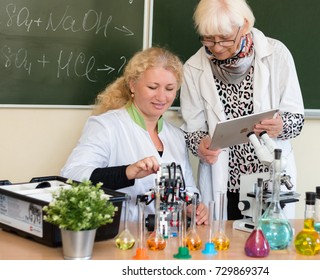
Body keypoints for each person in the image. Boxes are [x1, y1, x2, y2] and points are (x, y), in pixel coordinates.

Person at [180, 0, 305, 220]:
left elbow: (296, 120)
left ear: (244, 25)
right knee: (223, 247)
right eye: (209, 38)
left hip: (269, 182)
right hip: (224, 182)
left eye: (225, 39)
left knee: (271, 246)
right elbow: (193, 130)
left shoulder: (276, 55)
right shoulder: (193, 68)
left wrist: (281, 126)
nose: (217, 47)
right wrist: (200, 145)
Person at [61, 47, 208, 224]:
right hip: (121, 237)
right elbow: (72, 175)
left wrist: (193, 206)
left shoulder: (176, 136)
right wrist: (127, 172)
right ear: (132, 85)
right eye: (153, 87)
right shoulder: (106, 126)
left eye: (170, 88)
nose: (162, 97)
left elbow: (188, 189)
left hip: (167, 241)